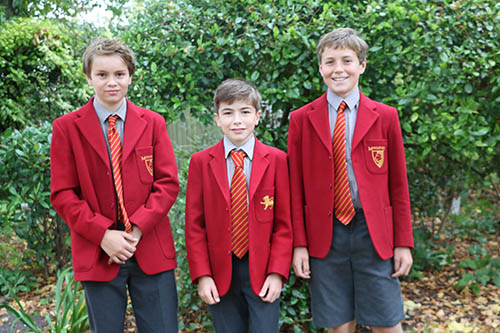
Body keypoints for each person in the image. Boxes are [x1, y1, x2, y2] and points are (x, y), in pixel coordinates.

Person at [287, 28, 414, 332]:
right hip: (325, 233)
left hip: (374, 232)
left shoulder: (385, 116)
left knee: (387, 322)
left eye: (347, 60)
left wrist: (403, 242)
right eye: (330, 62)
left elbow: (398, 185)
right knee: (339, 325)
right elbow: (295, 189)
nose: (338, 69)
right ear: (320, 68)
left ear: (362, 65)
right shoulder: (301, 119)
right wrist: (299, 245)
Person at [50, 38, 179, 332]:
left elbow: (168, 183)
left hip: (149, 247)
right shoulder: (67, 128)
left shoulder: (154, 123)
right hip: (98, 251)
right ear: (88, 77)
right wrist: (103, 234)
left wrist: (137, 228)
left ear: (130, 76)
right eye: (102, 75)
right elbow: (62, 193)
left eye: (119, 74)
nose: (112, 82)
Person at [185, 78, 293, 332]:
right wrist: (203, 275)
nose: (237, 120)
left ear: (257, 116)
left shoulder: (277, 160)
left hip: (264, 271)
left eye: (245, 112)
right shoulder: (201, 162)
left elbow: (284, 225)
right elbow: (194, 226)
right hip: (219, 272)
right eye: (228, 113)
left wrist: (277, 273)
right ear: (217, 118)